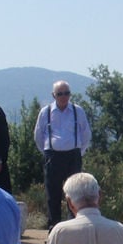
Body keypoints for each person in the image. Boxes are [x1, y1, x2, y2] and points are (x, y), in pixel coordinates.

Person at [34, 81, 92, 229]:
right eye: (60, 94)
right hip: (52, 157)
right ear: (53, 95)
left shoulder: (77, 111)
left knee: (74, 193)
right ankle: (54, 228)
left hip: (73, 156)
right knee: (52, 194)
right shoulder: (45, 112)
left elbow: (86, 134)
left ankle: (73, 227)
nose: (64, 97)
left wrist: (79, 152)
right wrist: (48, 152)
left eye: (67, 93)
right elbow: (38, 136)